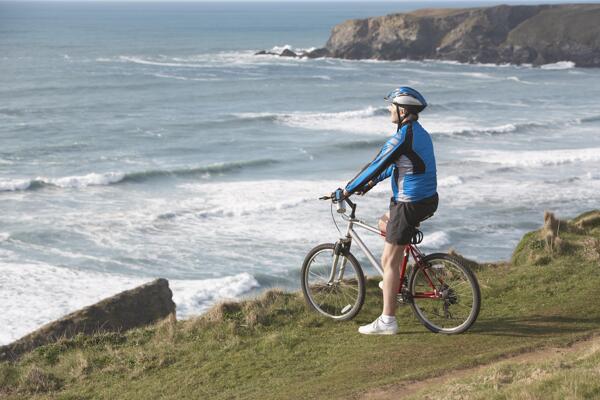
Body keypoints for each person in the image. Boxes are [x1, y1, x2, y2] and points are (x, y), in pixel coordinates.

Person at [342, 87, 438, 335]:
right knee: (385, 223)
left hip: (409, 203)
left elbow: (376, 164)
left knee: (388, 261)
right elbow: (397, 166)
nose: (388, 109)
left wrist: (347, 190)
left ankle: (388, 321)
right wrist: (370, 185)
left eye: (391, 105)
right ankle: (398, 279)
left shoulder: (401, 137)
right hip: (425, 200)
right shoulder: (419, 133)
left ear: (402, 110)